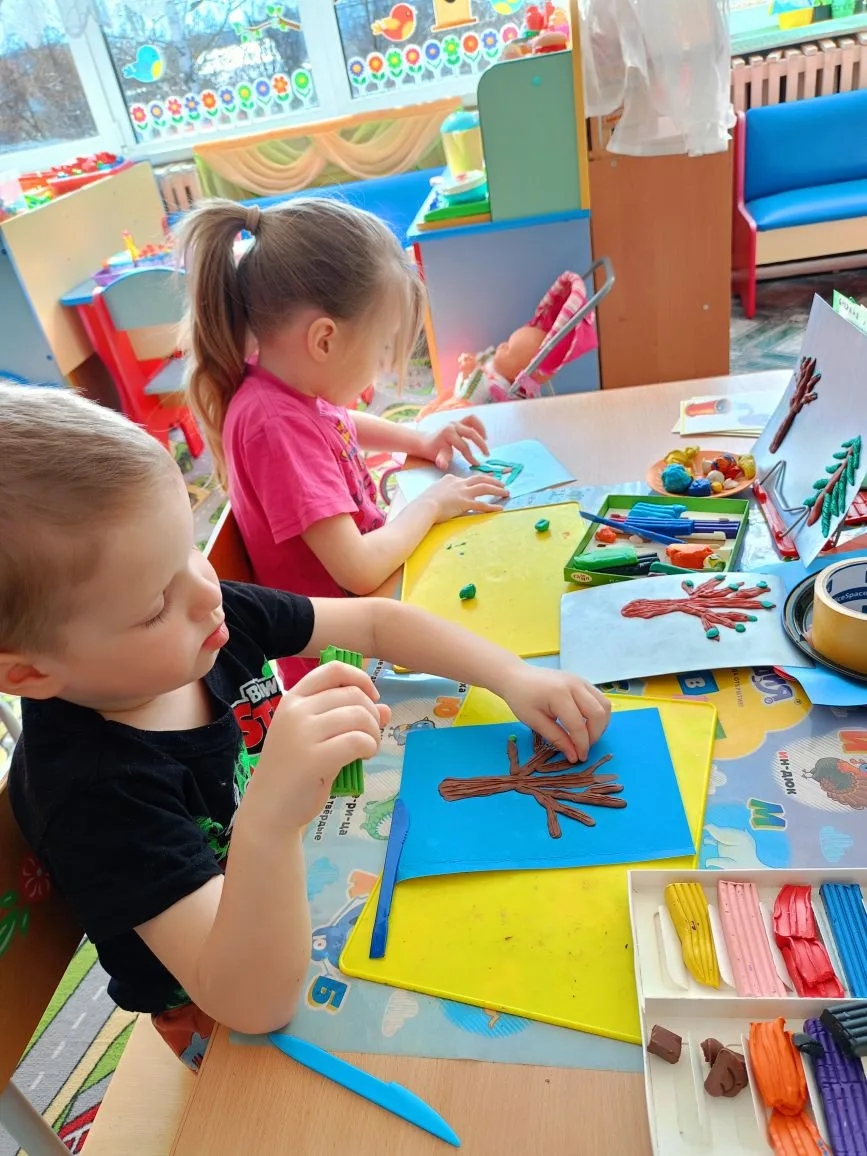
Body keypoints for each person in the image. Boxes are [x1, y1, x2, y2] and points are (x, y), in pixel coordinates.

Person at [3, 386, 610, 1069]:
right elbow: (251, 1004)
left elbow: (376, 622)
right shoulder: (91, 792)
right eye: (152, 606)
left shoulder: (204, 619)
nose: (207, 592)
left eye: (192, 550)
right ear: (28, 673)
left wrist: (512, 675)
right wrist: (268, 821)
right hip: (221, 1006)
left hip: (309, 866)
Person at [177, 198, 509, 686]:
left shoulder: (282, 386)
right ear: (324, 340)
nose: (380, 367)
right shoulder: (273, 424)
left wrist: (419, 437)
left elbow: (338, 422)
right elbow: (358, 569)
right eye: (380, 346)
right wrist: (433, 504)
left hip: (373, 615)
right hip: (348, 666)